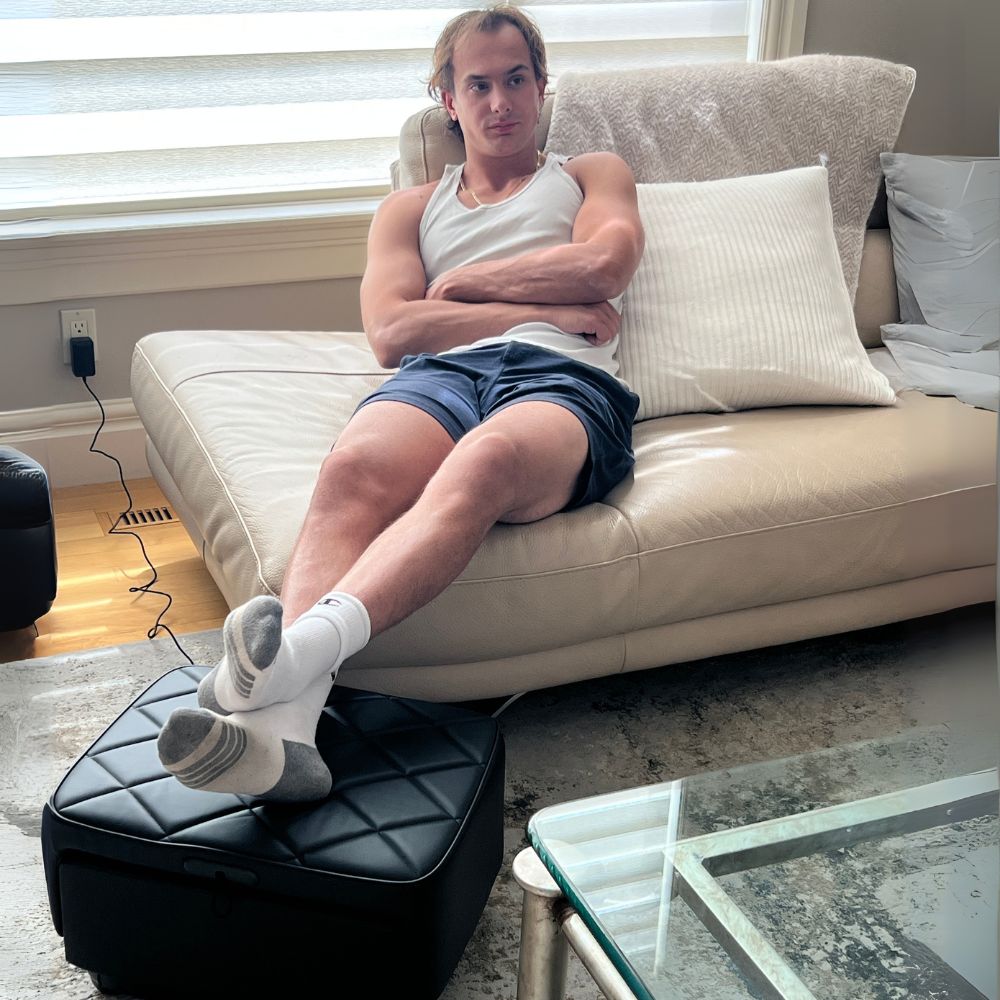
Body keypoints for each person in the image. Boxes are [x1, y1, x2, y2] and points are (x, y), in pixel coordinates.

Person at [156, 4, 645, 801]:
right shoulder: (411, 209)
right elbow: (392, 332)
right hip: (441, 377)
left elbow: (603, 267)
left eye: (516, 79)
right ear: (446, 98)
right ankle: (287, 744)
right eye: (478, 85)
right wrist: (544, 306)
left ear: (541, 85)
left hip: (562, 382)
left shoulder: (592, 174)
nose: (500, 103)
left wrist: (466, 283)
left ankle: (275, 675)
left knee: (486, 459)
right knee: (352, 468)